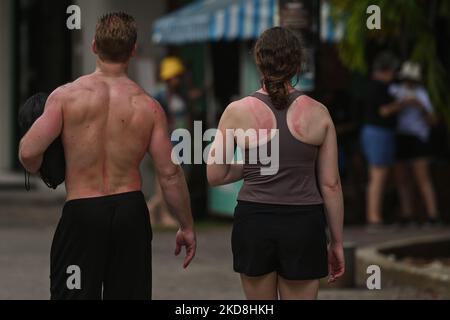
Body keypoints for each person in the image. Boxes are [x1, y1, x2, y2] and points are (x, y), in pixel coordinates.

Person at [18, 12, 196, 300]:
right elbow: (170, 173)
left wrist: (45, 167)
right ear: (134, 51)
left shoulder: (65, 97)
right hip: (130, 213)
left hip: (82, 213)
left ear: (93, 46)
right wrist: (186, 225)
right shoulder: (149, 107)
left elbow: (28, 152)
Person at [207, 27, 345, 300]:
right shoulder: (319, 113)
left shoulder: (237, 111)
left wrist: (255, 167)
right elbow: (330, 184)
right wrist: (337, 242)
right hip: (304, 224)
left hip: (254, 222)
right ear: (297, 64)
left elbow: (215, 174)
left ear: (258, 61)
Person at [391, 61, 441, 226]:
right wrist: (403, 104)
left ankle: (433, 216)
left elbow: (433, 120)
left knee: (423, 178)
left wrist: (421, 107)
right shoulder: (396, 90)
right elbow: (386, 110)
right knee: (402, 179)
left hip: (419, 137)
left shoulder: (422, 94)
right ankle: (408, 215)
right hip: (401, 136)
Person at [361, 51, 407, 229]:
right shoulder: (377, 86)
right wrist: (402, 103)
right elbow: (383, 111)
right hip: (378, 132)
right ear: (385, 71)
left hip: (380, 132)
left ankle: (375, 215)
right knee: (378, 175)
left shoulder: (379, 86)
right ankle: (374, 217)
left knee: (380, 175)